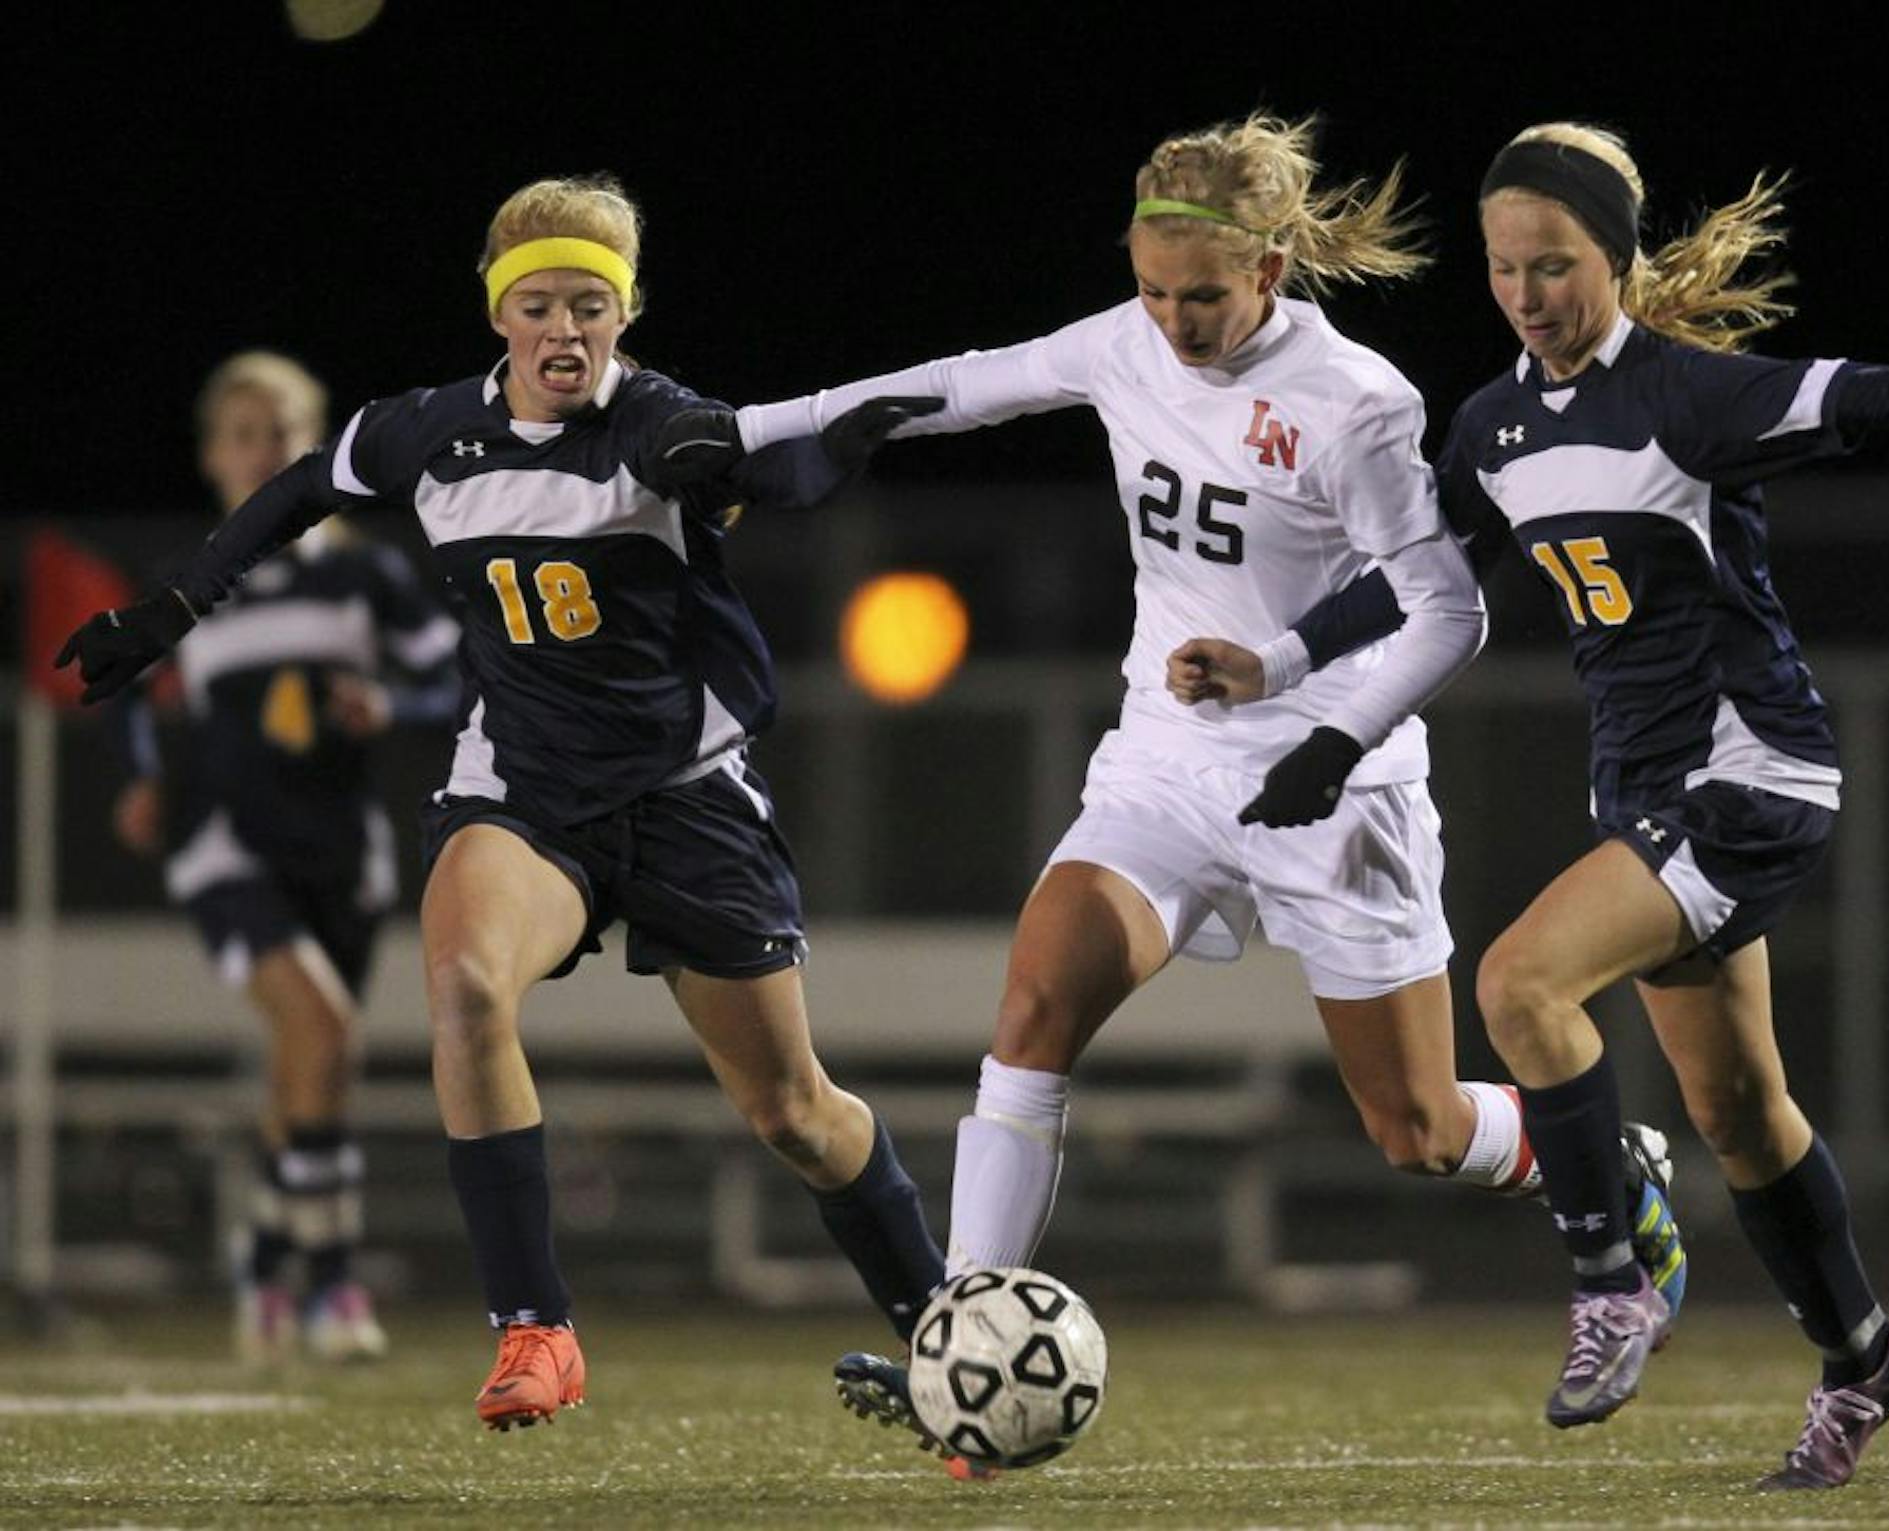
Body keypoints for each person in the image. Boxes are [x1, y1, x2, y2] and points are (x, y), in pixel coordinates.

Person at [715, 113, 1686, 1457]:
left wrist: (1328, 734)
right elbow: (957, 381)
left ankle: (1590, 1156)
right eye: (1154, 288)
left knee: (1412, 1123)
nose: (1171, 320)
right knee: (1037, 999)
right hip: (1168, 763)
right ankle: (963, 1329)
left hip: (1341, 785)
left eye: (1204, 296)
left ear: (1276, 270)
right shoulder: (1126, 339)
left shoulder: (1357, 401)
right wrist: (733, 435)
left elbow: (1443, 609)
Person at [1166, 121, 1889, 1489]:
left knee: (1521, 981)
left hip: (1750, 777)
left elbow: (1857, 390)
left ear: (1621, 261)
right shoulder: (1495, 425)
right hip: (1650, 793)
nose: (1528, 292)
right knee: (1743, 1111)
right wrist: (1273, 659)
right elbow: (1412, 574)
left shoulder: (1687, 399)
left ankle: (1612, 1277)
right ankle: (1866, 1352)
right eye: (1505, 267)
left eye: (1558, 265)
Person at [55, 173, 951, 1431]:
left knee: (796, 1115)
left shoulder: (656, 420)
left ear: (626, 312)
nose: (565, 329)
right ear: (500, 315)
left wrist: (804, 463)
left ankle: (949, 1332)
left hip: (687, 795)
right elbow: (306, 483)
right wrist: (175, 608)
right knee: (468, 987)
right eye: (539, 305)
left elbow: (743, 462)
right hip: (524, 787)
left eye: (593, 303)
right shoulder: (432, 434)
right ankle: (536, 1330)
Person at [109, 350, 459, 1364]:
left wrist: (389, 705)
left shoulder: (366, 575)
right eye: (243, 432)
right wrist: (140, 774)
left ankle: (262, 1260)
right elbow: (131, 694)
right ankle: (332, 1286)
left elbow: (455, 683)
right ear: (216, 455)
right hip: (225, 847)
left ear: (312, 447)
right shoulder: (195, 582)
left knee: (312, 1066)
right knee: (320, 1026)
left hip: (340, 851)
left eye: (281, 431)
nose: (262, 449)